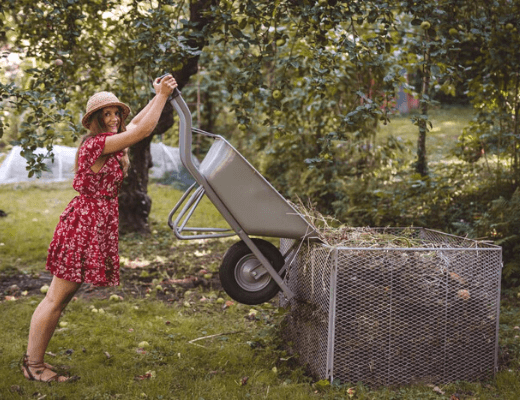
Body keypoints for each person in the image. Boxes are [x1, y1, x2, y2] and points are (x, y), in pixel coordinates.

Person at [21, 74, 178, 383]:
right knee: (55, 297)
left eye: (115, 112)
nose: (113, 119)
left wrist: (159, 95)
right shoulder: (97, 145)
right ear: (94, 120)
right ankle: (33, 365)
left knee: (61, 297)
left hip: (94, 222)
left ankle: (34, 362)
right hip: (85, 223)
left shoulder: (111, 139)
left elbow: (135, 126)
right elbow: (144, 130)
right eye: (105, 114)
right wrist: (163, 96)